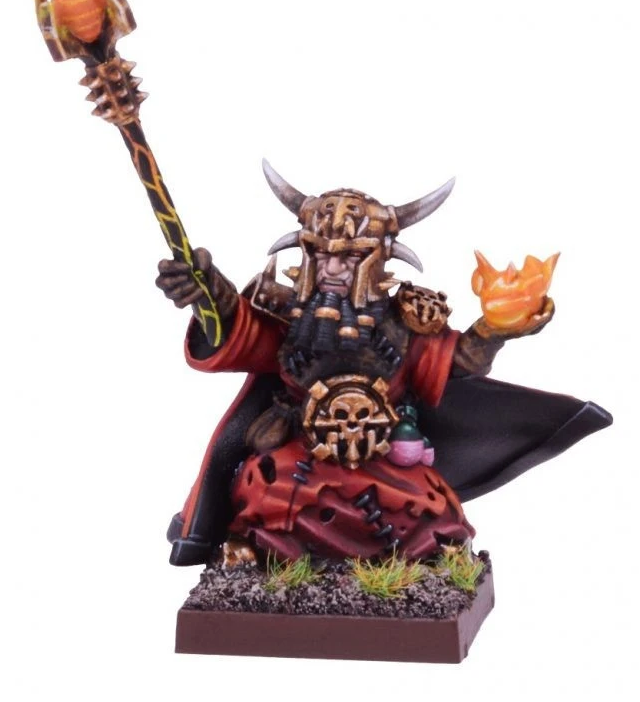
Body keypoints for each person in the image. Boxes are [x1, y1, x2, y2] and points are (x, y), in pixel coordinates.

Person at [158, 161, 611, 567]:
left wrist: (496, 327)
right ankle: (253, 548)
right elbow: (237, 329)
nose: (334, 268)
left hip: (387, 452)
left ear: (377, 258)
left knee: (428, 509)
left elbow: (460, 359)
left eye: (351, 256)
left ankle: (418, 560)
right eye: (323, 254)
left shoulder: (403, 324)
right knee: (264, 491)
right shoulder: (286, 317)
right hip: (299, 450)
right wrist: (207, 290)